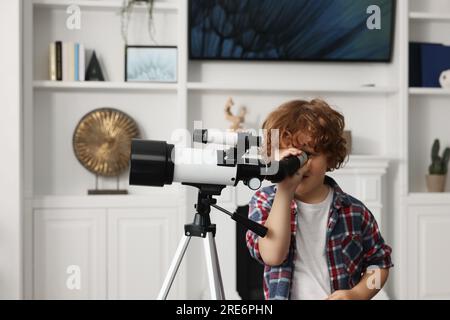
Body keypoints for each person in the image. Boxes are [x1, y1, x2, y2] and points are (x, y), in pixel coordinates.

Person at [246, 99, 393, 300]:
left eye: (307, 155)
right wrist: (285, 190)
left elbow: (379, 264)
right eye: (287, 155)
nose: (297, 165)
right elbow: (272, 255)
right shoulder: (264, 201)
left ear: (330, 158)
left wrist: (357, 294)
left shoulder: (355, 211)